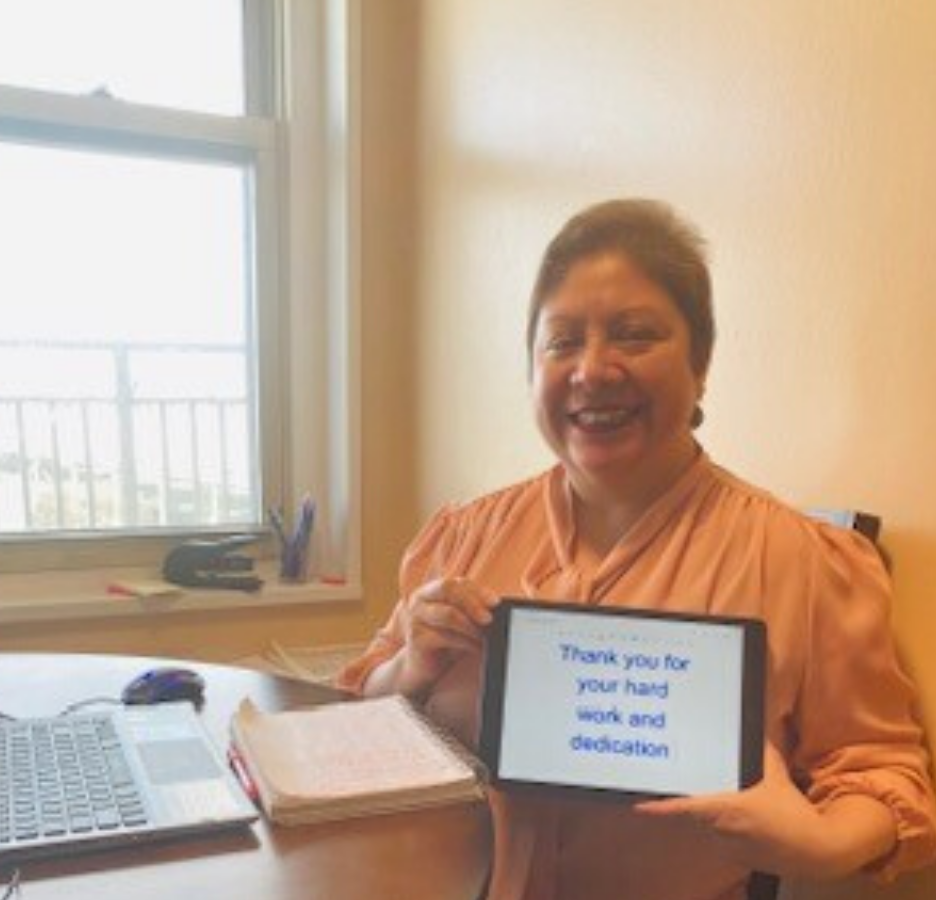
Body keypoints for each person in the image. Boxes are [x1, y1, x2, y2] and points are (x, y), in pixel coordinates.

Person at [338, 199, 936, 900]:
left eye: (635, 335)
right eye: (561, 342)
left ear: (701, 363)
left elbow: (885, 772)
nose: (593, 370)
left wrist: (818, 842)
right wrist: (409, 666)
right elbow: (356, 721)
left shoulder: (800, 561)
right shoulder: (465, 537)